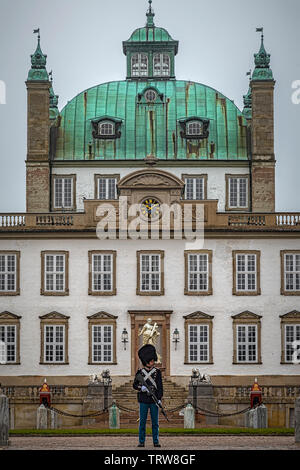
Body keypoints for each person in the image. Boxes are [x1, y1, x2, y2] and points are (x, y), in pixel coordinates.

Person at [133, 344, 163, 448]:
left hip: (153, 400)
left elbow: (160, 386)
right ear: (146, 361)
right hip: (144, 399)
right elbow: (134, 385)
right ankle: (141, 441)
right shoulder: (140, 373)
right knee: (142, 422)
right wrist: (141, 388)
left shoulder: (157, 372)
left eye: (153, 360)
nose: (153, 362)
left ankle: (156, 441)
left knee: (155, 422)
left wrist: (159, 399)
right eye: (151, 360)